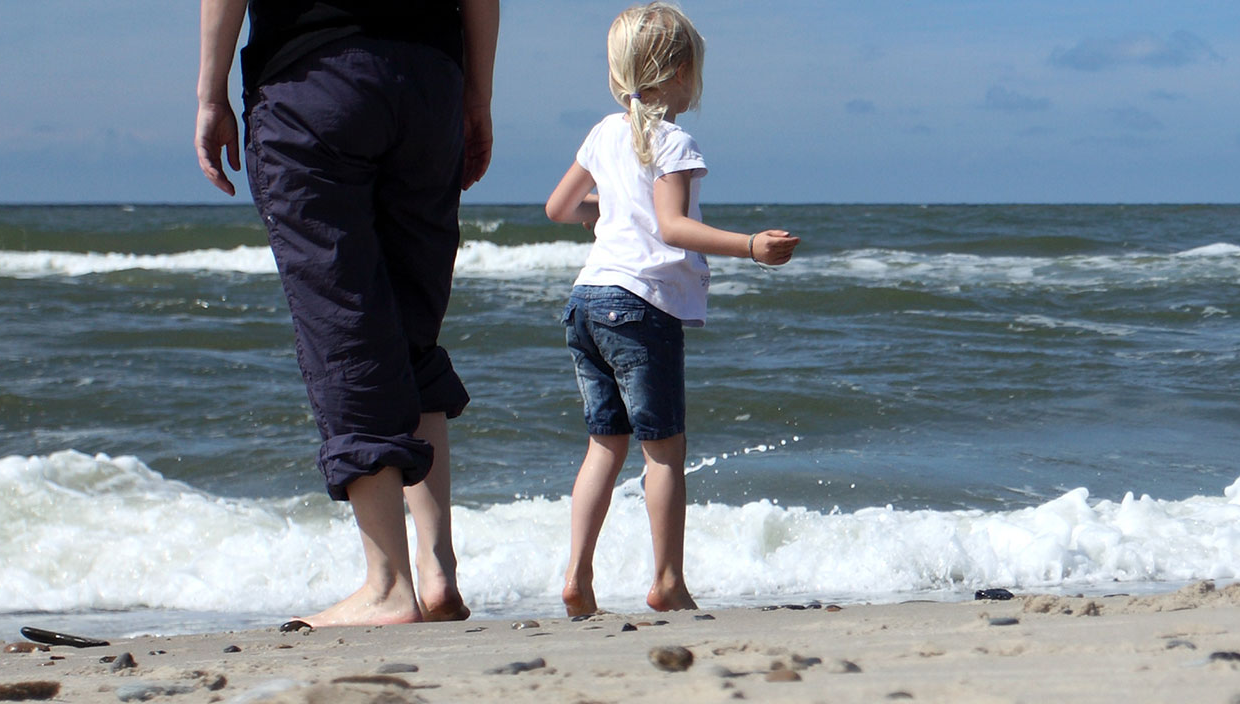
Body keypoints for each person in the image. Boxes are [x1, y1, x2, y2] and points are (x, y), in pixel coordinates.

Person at [193, 0, 496, 627]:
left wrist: (211, 93)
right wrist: (476, 98)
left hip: (314, 79)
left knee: (348, 328)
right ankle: (436, 570)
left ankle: (388, 585)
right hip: (429, 78)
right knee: (411, 331)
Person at [537, 2, 799, 617]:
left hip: (586, 300)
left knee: (605, 445)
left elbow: (558, 208)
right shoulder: (674, 141)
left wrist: (603, 214)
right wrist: (751, 248)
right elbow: (674, 226)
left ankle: (576, 577)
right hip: (638, 304)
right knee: (664, 453)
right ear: (680, 72)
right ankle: (667, 581)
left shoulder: (604, 132)